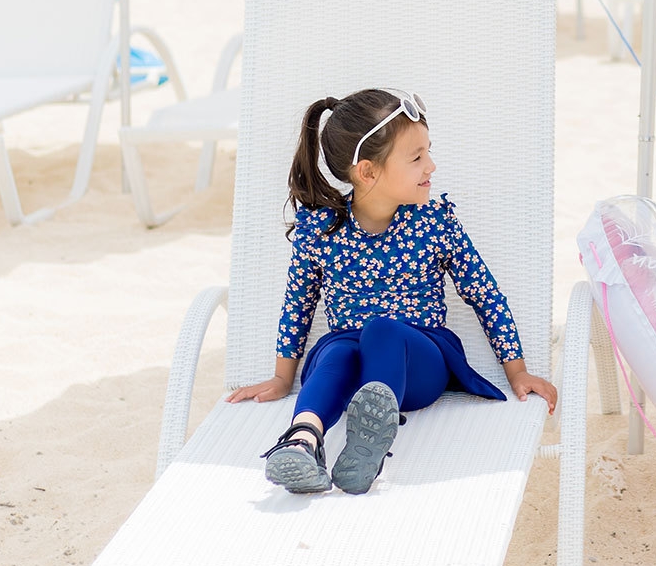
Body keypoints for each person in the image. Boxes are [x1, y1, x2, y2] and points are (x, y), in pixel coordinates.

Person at [226, 87, 558, 495]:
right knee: (336, 350)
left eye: (428, 151)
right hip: (351, 360)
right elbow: (298, 305)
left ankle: (369, 444)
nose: (431, 166)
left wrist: (518, 371)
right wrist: (282, 377)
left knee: (382, 330)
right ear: (367, 171)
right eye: (417, 157)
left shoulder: (434, 223)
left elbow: (484, 294)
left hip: (421, 361)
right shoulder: (321, 229)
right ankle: (303, 438)